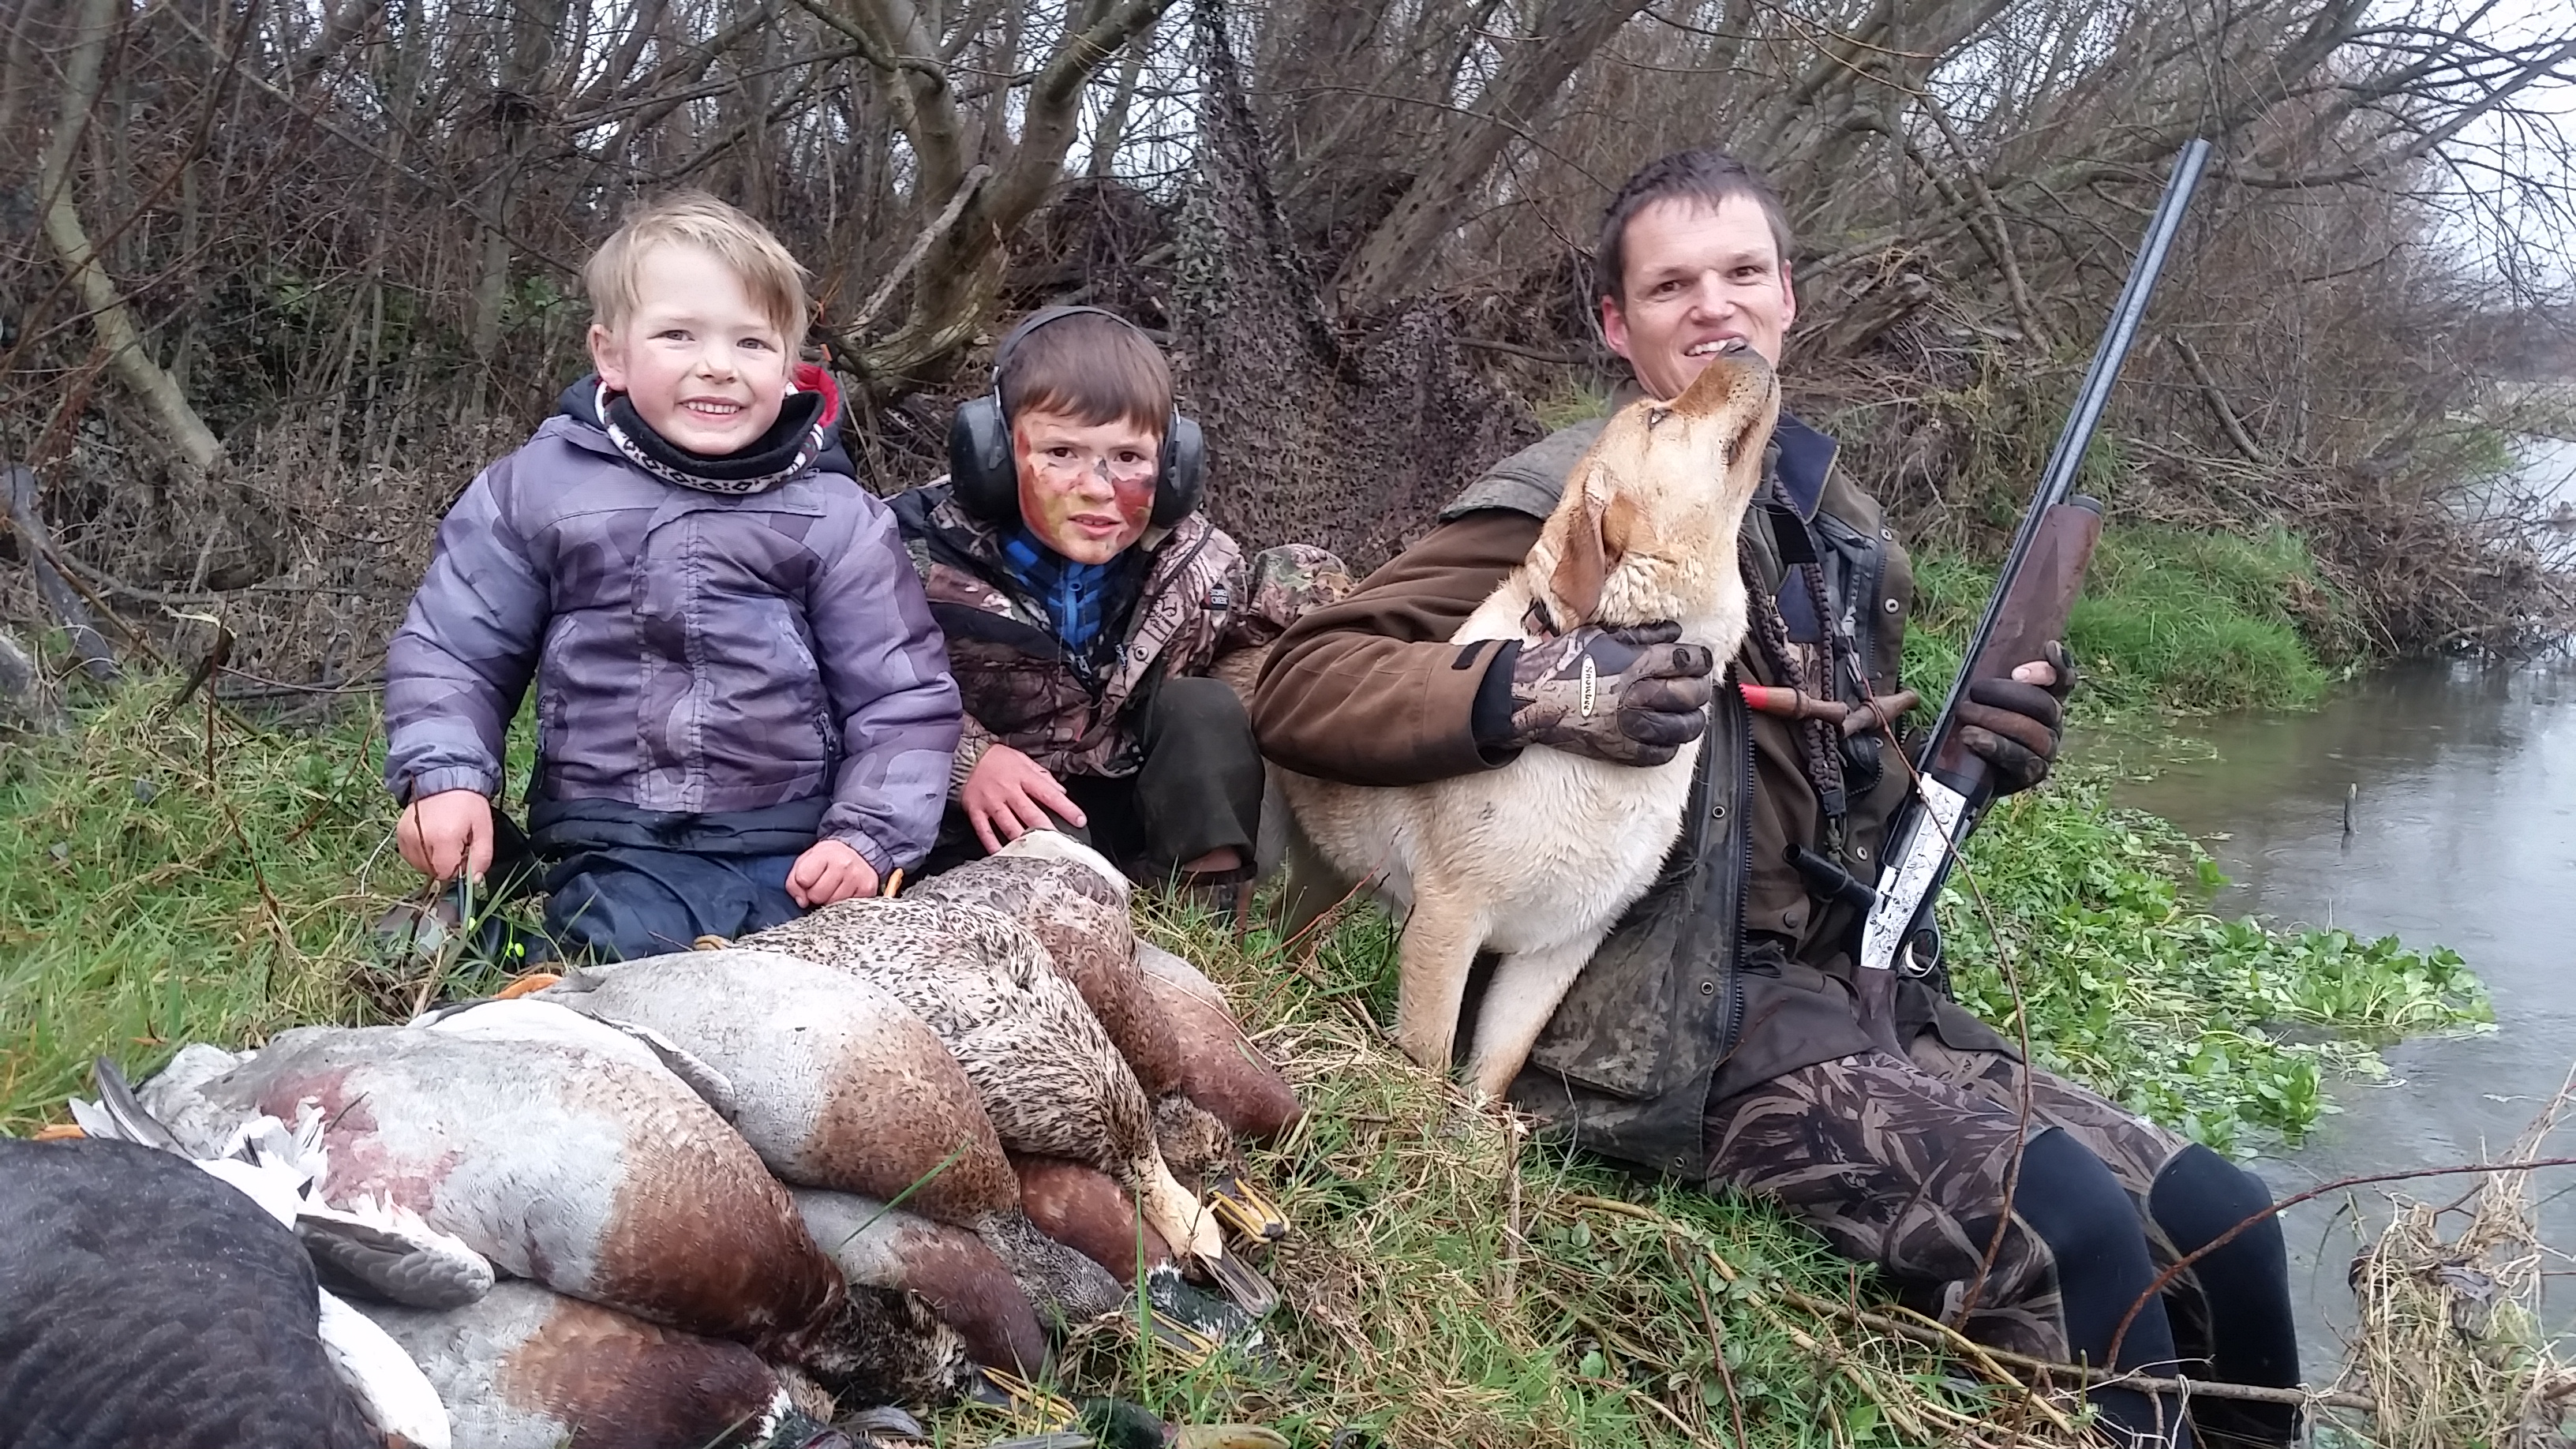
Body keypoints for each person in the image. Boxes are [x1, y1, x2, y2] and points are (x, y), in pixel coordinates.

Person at [1252, 150, 2298, 1448]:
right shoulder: (1570, 492)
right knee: (2071, 1234)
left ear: (1787, 296)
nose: (1714, 306)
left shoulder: (1835, 521)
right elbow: (1306, 680)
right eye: (1670, 285)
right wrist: (1534, 687)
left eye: (1742, 272)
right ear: (1615, 324)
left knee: (2230, 1226)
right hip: (1671, 1023)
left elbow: (1843, 800)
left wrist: (1984, 754)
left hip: (1857, 992)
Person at [382, 191, 960, 963]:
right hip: (612, 830)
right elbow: (456, 650)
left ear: (790, 367)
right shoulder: (537, 491)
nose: (717, 366)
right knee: (620, 956)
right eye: (678, 335)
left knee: (814, 979)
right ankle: (476, 949)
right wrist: (447, 775)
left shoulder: (838, 517)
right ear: (611, 354)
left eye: (752, 343)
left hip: (792, 838)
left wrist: (867, 836)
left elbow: (901, 696)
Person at [891, 306, 1344, 908]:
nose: (1098, 488)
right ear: (991, 452)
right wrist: (967, 760)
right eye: (1061, 453)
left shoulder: (1194, 564)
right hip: (992, 822)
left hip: (1128, 809)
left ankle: (1203, 924)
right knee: (1056, 855)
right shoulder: (908, 557)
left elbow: (1284, 599)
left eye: (1129, 459)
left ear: (1173, 466)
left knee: (1204, 710)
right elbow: (856, 681)